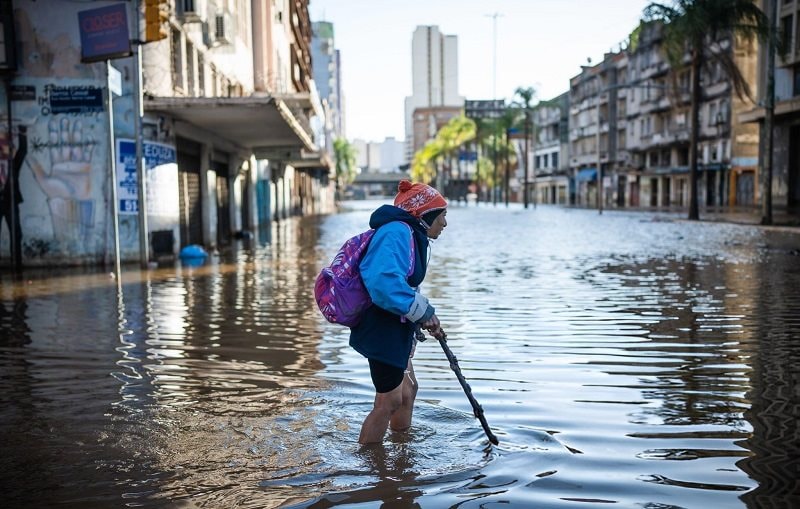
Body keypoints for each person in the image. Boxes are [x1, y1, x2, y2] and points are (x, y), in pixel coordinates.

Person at [350, 180, 448, 444]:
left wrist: (421, 320)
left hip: (397, 325)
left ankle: (401, 455)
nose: (445, 223)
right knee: (389, 401)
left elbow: (404, 285)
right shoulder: (397, 232)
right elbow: (382, 283)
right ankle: (370, 465)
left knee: (408, 391)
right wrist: (423, 312)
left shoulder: (411, 235)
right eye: (442, 216)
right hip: (381, 327)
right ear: (425, 215)